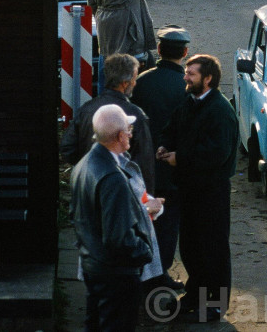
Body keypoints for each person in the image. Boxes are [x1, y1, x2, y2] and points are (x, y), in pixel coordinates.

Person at [157, 55, 237, 323]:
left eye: (191, 74)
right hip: (189, 189)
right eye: (186, 72)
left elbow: (217, 153)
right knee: (191, 247)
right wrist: (164, 145)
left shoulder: (220, 110)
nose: (186, 77)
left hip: (211, 192)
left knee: (212, 248)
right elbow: (171, 128)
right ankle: (195, 296)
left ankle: (214, 305)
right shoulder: (189, 102)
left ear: (208, 78)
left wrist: (180, 158)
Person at [70, 104, 153, 332]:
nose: (130, 134)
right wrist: (145, 250)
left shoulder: (83, 165)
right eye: (128, 130)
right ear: (119, 136)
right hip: (115, 275)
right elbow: (119, 239)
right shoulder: (112, 178)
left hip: (93, 265)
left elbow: (76, 215)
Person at [132, 25, 192, 292]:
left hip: (142, 166)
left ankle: (141, 272)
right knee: (167, 224)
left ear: (158, 49)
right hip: (172, 167)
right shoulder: (186, 86)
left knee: (142, 219)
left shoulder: (142, 81)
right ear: (185, 53)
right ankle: (160, 273)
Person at [60, 54, 155, 189]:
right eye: (134, 79)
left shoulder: (86, 109)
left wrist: (88, 167)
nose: (135, 83)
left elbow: (67, 148)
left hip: (88, 184)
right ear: (125, 83)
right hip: (122, 190)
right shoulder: (136, 115)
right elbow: (144, 165)